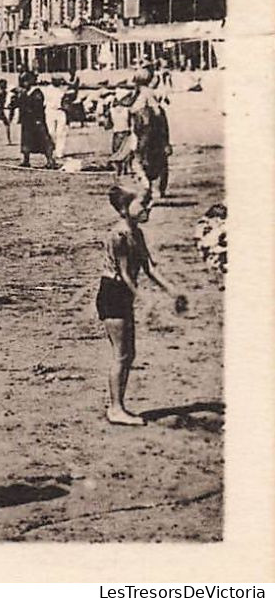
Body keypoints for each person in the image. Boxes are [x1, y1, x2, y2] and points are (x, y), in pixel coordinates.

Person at [97, 182, 186, 425]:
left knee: (128, 353)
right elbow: (125, 274)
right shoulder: (120, 235)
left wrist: (172, 290)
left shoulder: (136, 232)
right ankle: (115, 408)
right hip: (114, 293)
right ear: (125, 208)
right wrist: (145, 300)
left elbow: (148, 267)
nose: (149, 207)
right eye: (143, 203)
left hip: (122, 293)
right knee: (121, 354)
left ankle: (119, 405)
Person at [129, 69, 172, 198]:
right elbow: (158, 113)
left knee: (142, 160)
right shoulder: (145, 93)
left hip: (145, 130)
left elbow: (155, 113)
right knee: (154, 160)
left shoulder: (142, 94)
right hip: (149, 129)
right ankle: (154, 188)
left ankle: (149, 187)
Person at [16, 70, 59, 169]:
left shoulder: (36, 92)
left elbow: (38, 107)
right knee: (26, 140)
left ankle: (50, 160)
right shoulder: (24, 93)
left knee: (44, 140)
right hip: (27, 121)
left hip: (36, 120)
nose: (24, 83)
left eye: (25, 81)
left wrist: (38, 119)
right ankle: (26, 160)